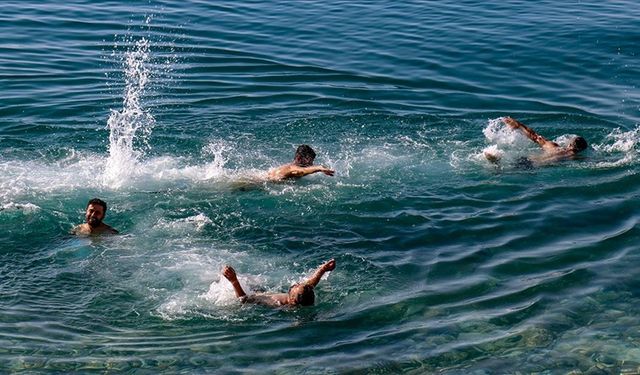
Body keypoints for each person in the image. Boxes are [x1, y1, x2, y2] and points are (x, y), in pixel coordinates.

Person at [222, 259, 336, 307]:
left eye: (295, 287)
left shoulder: (275, 303)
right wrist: (322, 270)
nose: (296, 284)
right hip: (261, 291)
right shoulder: (304, 295)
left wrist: (234, 281)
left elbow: (243, 300)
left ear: (292, 301)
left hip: (246, 298)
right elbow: (310, 285)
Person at [485, 117, 588, 168]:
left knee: (507, 166)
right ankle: (496, 164)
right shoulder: (576, 157)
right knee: (504, 172)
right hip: (533, 166)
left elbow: (535, 136)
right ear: (582, 150)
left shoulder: (553, 146)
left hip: (527, 159)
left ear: (569, 144)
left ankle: (496, 161)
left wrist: (518, 125)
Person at [267, 144, 335, 181]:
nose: (311, 164)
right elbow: (301, 171)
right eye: (309, 161)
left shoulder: (291, 166)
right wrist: (319, 168)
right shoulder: (292, 168)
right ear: (299, 158)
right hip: (258, 183)